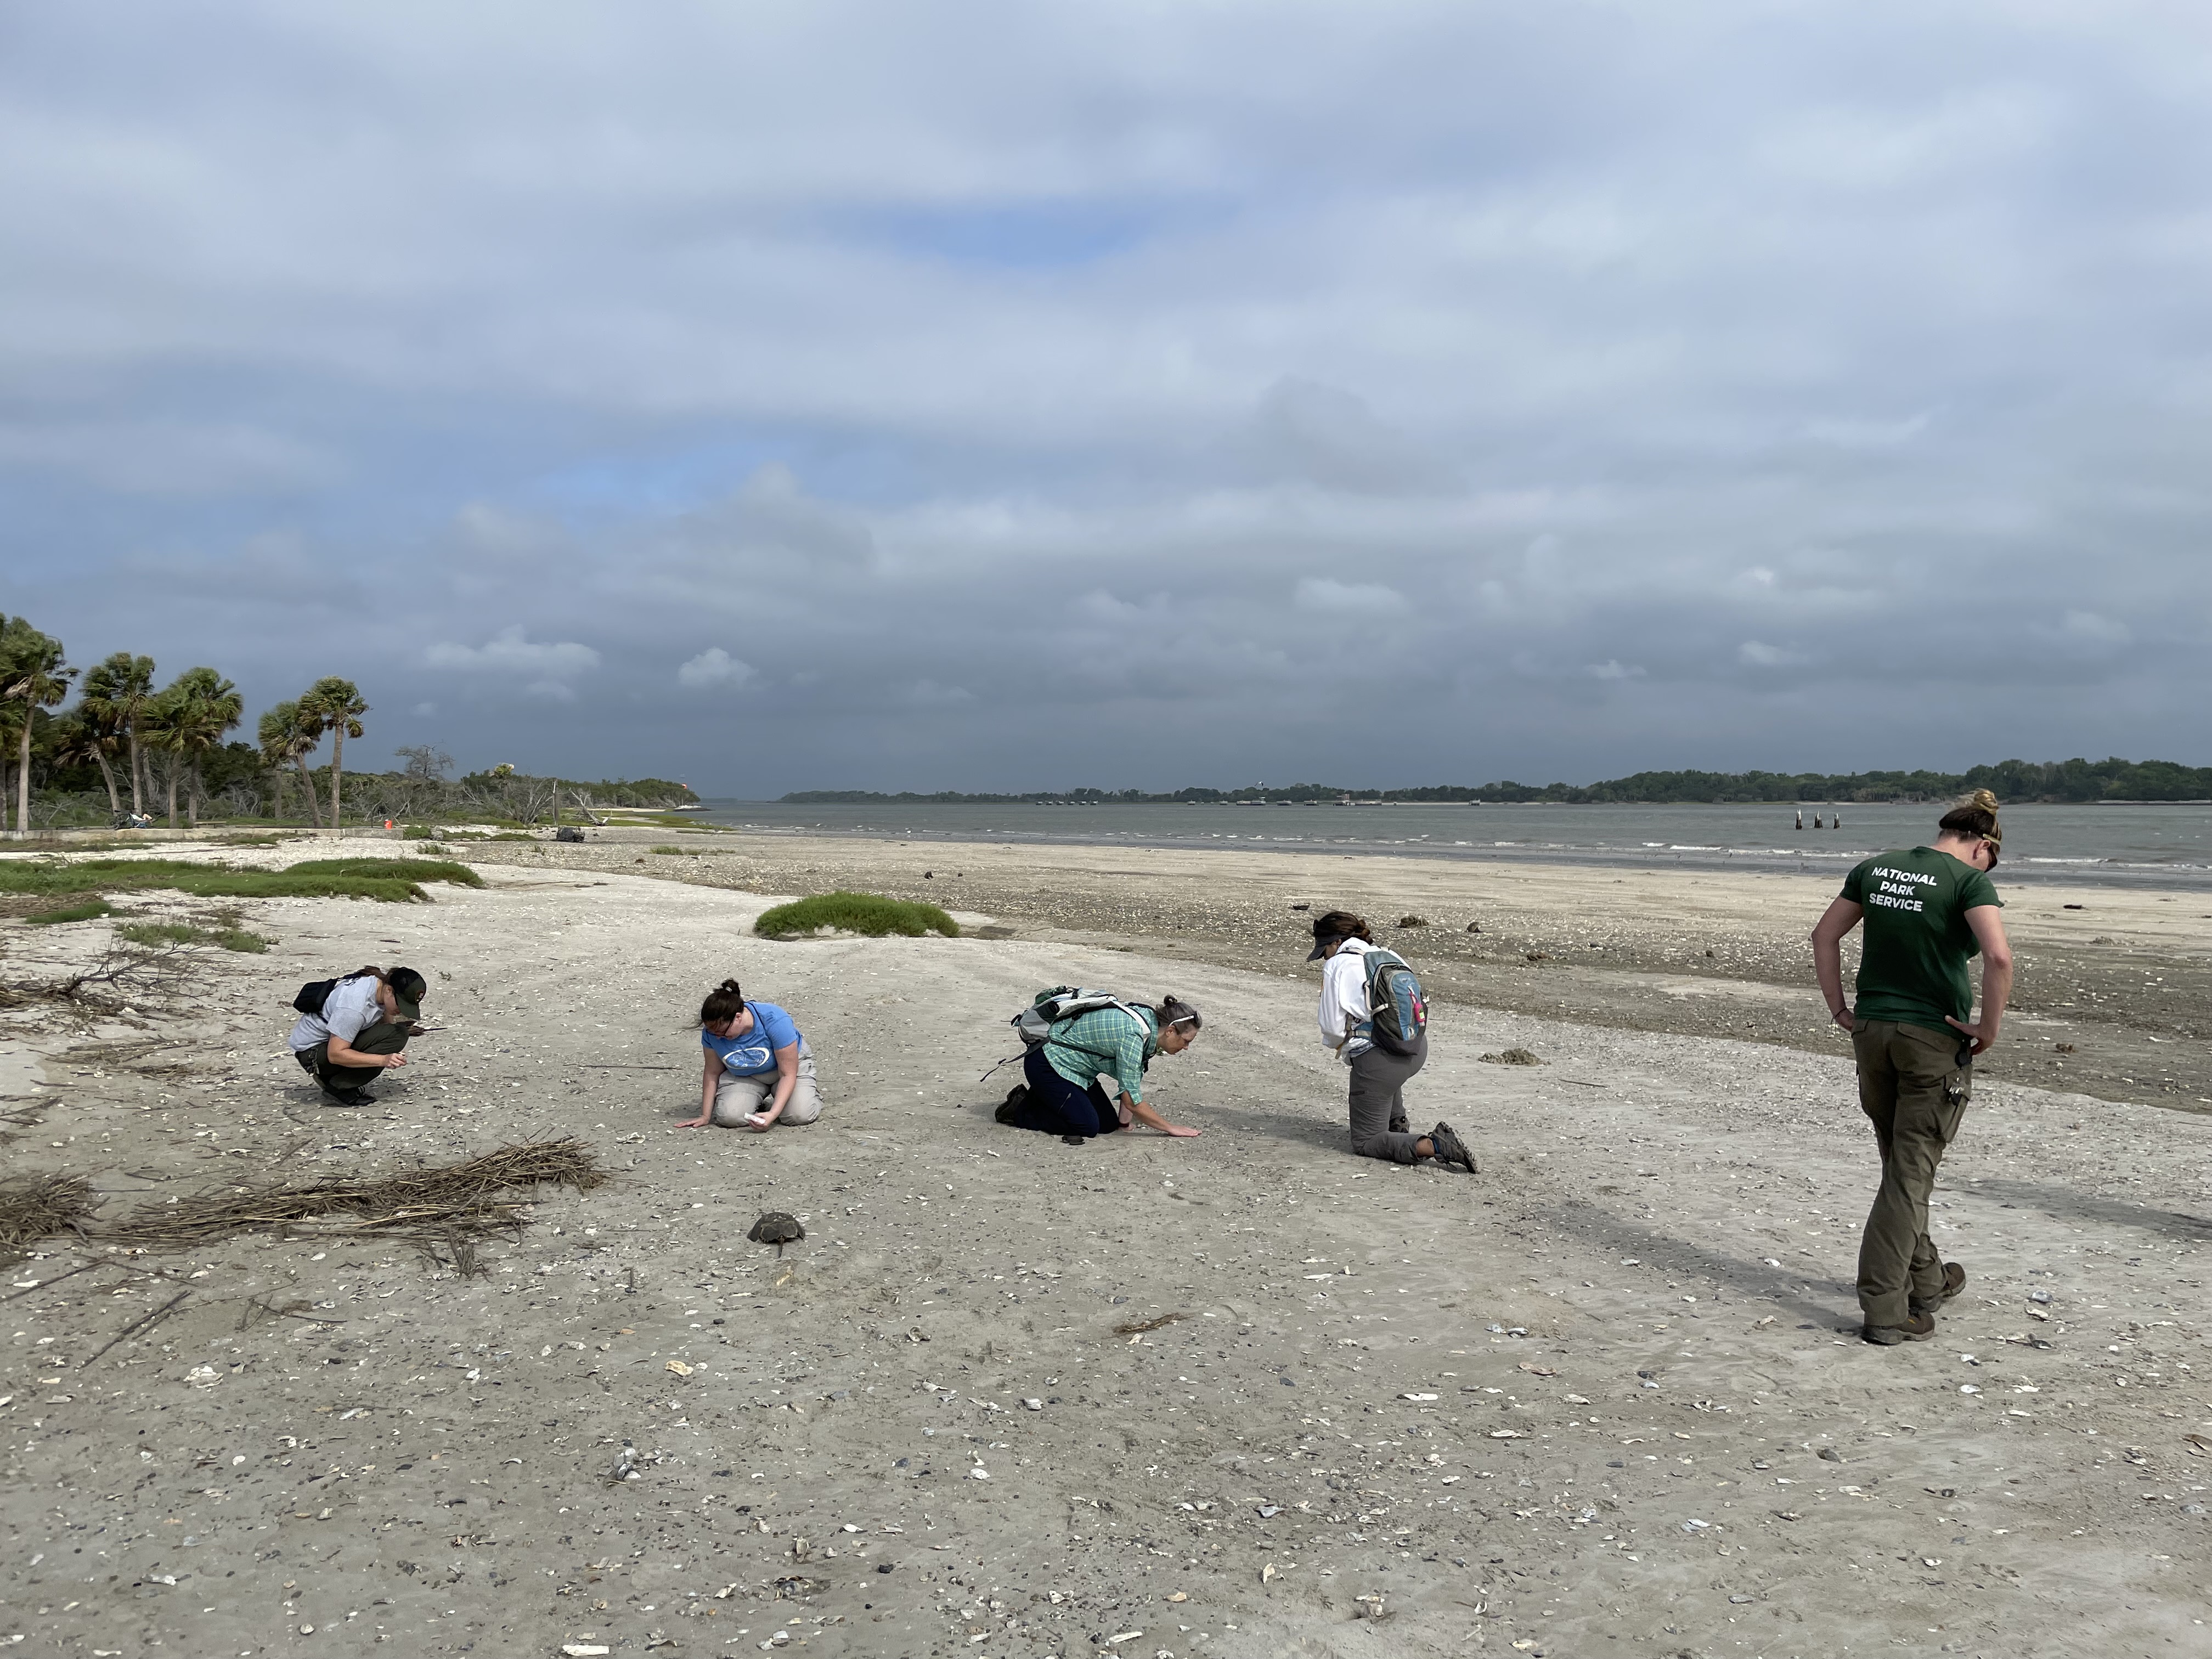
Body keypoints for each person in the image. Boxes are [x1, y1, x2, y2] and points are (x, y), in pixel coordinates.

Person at [1812, 789, 2013, 1345]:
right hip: (1931, 1038)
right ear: (1982, 846)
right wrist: (1989, 1029)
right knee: (1909, 1176)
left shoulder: (1876, 869)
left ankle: (1927, 1280)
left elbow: (1824, 935)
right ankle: (1885, 1308)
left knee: (1902, 1169)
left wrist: (1840, 1010)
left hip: (1873, 1033)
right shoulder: (1969, 882)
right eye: (1993, 860)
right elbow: (1998, 956)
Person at [1307, 910, 1475, 1172]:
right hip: (1415, 1048)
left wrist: (1345, 1048)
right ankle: (1397, 1125)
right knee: (1384, 1073)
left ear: (1336, 942)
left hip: (1381, 1064)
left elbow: (1332, 1029)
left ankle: (1437, 1145)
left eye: (1324, 949)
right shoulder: (1388, 955)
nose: (1324, 957)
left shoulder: (1337, 965)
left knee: (1365, 1141)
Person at [996, 996, 1204, 1139]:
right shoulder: (1134, 1036)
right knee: (1087, 1127)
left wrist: (1123, 1125)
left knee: (1106, 1125)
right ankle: (1020, 1109)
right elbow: (1132, 1100)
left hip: (1075, 1070)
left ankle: (1047, 1097)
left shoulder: (1149, 1025)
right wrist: (1170, 1128)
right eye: (1186, 1041)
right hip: (1046, 1064)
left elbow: (1130, 1080)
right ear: (1170, 1031)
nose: (1186, 1048)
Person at [681, 978, 823, 1130]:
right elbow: (712, 1072)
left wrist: (773, 1114)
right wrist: (705, 1115)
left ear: (738, 1017)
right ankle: (757, 1100)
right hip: (746, 1074)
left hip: (786, 1070)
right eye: (712, 1032)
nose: (718, 1037)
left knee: (798, 1116)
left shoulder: (775, 1020)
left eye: (722, 1032)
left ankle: (807, 1094)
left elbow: (788, 1073)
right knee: (730, 1117)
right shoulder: (713, 1032)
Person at [288, 966, 427, 1107]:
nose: (401, 1010)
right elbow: (335, 1054)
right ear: (389, 990)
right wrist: (383, 1059)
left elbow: (384, 1018)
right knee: (395, 1039)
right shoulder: (355, 1007)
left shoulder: (379, 983)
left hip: (327, 1043)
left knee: (397, 1034)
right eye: (401, 1005)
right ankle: (339, 1087)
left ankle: (337, 1078)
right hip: (313, 1054)